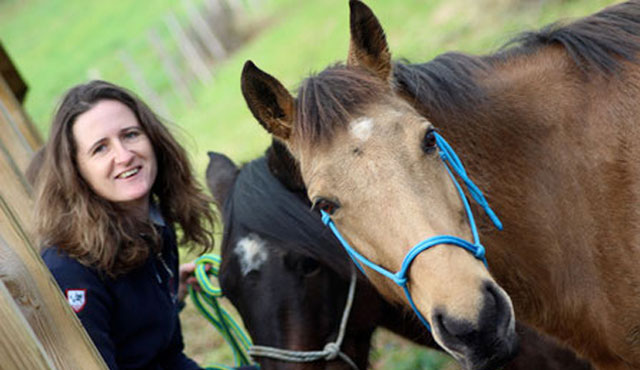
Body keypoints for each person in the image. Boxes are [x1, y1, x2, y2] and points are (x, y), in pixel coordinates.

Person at [33, 80, 216, 369]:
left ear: (154, 140)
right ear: (76, 170)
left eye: (130, 135)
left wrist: (168, 297)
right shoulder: (70, 272)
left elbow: (164, 356)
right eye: (100, 148)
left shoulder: (154, 226)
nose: (124, 155)